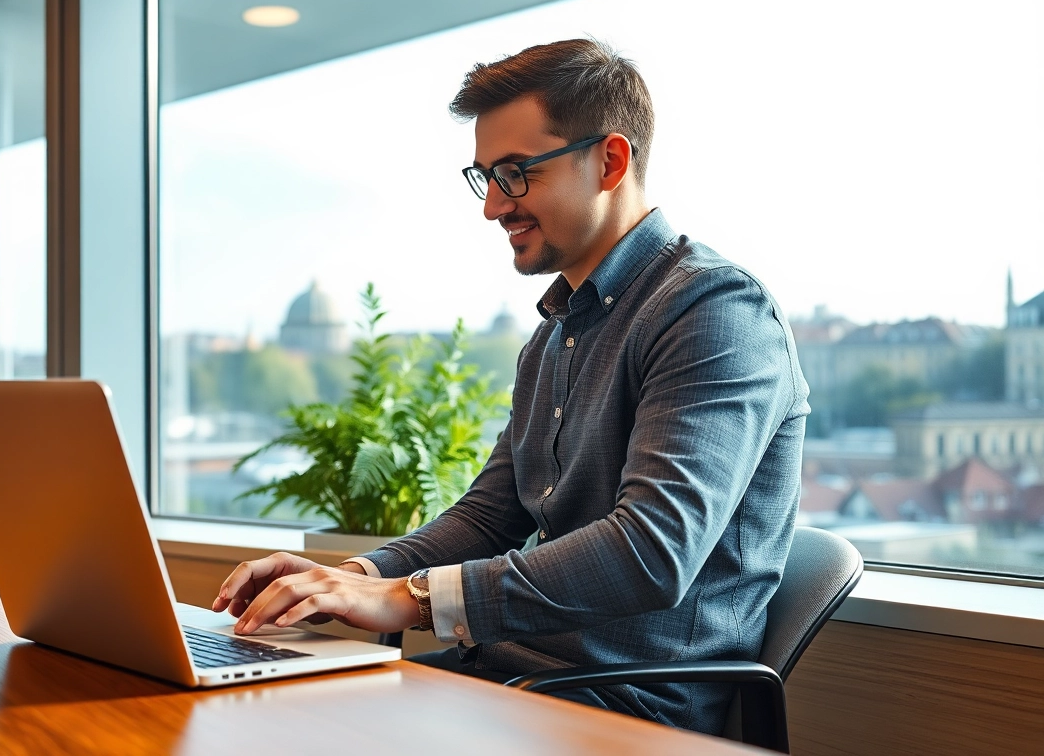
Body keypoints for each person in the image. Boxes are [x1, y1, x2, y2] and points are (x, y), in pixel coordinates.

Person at [211, 38, 809, 736]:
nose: (493, 206)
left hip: (627, 709)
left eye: (517, 173)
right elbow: (489, 518)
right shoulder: (556, 332)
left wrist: (409, 600)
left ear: (610, 161)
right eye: (486, 176)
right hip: (512, 681)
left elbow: (650, 554)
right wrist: (349, 578)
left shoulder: (713, 312)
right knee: (254, 711)